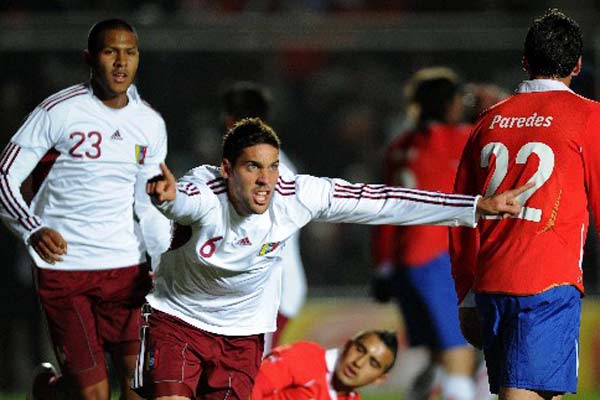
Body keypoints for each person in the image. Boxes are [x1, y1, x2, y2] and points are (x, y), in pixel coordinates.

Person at [136, 117, 528, 400]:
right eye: (252, 167)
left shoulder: (296, 196)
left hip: (242, 334)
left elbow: (384, 203)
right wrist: (167, 198)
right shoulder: (204, 191)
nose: (265, 180)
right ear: (227, 170)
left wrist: (474, 206)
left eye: (272, 167)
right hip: (179, 318)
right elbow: (183, 203)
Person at [0, 18, 171, 400]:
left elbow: (147, 202)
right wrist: (31, 228)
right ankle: (52, 391)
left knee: (139, 384)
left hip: (126, 268)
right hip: (66, 268)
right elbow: (4, 177)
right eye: (111, 52)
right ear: (90, 59)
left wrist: (162, 261)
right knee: (94, 393)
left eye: (130, 52)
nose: (121, 62)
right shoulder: (58, 111)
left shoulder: (150, 124)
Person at [450, 8, 596, 400]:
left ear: (526, 62)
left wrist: (467, 295)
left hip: (493, 284)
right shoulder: (588, 117)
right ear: (578, 65)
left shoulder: (487, 121)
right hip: (548, 284)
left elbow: (461, 214)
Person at [371, 67, 477, 400]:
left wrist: (382, 267)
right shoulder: (457, 139)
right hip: (437, 258)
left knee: (437, 357)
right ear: (449, 105)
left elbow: (382, 210)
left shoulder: (400, 145)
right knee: (460, 354)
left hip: (404, 263)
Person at [221, 81, 307, 350]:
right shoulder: (275, 165)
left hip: (269, 290)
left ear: (230, 122)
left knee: (250, 378)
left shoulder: (266, 171)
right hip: (266, 288)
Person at [251, 329, 398, 399]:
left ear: (379, 379)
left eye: (373, 363)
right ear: (347, 345)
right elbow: (249, 391)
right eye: (359, 349)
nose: (358, 363)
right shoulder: (306, 357)